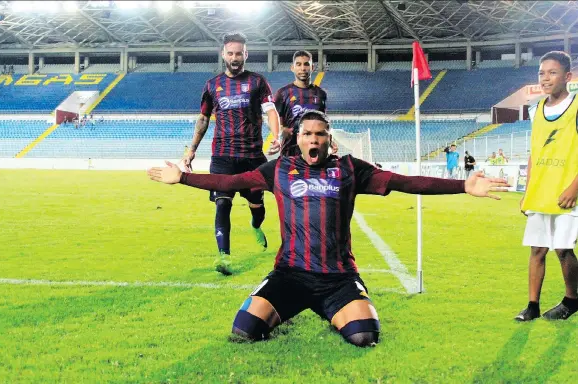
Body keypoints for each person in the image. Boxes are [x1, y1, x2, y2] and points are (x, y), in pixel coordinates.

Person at [148, 110, 510, 347]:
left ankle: (332, 310)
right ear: (299, 138)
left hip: (337, 278)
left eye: (321, 134)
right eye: (308, 134)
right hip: (289, 274)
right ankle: (286, 310)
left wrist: (462, 185)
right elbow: (232, 181)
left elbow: (403, 181)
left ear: (329, 139)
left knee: (365, 336)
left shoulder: (351, 169)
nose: (314, 140)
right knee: (245, 330)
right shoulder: (279, 169)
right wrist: (183, 178)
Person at [181, 32, 281, 276]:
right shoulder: (212, 85)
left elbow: (270, 111)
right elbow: (204, 118)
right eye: (230, 53)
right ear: (223, 54)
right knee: (222, 204)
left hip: (252, 157)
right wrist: (191, 150)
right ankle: (223, 256)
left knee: (257, 207)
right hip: (222, 156)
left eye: (239, 53)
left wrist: (276, 136)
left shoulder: (258, 82)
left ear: (245, 54)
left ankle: (256, 226)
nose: (235, 58)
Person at [516, 51, 578, 322]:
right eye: (542, 73)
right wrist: (528, 192)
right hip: (541, 192)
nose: (545, 78)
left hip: (567, 192)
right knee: (537, 249)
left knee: (563, 249)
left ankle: (572, 299)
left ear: (568, 76)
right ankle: (532, 305)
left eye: (552, 73)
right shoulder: (537, 109)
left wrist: (575, 187)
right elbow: (533, 153)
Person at [274, 50, 330, 157]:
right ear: (292, 68)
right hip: (290, 152)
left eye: (306, 64)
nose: (303, 68)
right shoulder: (283, 93)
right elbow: (271, 119)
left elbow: (324, 123)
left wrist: (330, 140)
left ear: (312, 67)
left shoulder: (321, 94)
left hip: (314, 151)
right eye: (298, 64)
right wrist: (281, 130)